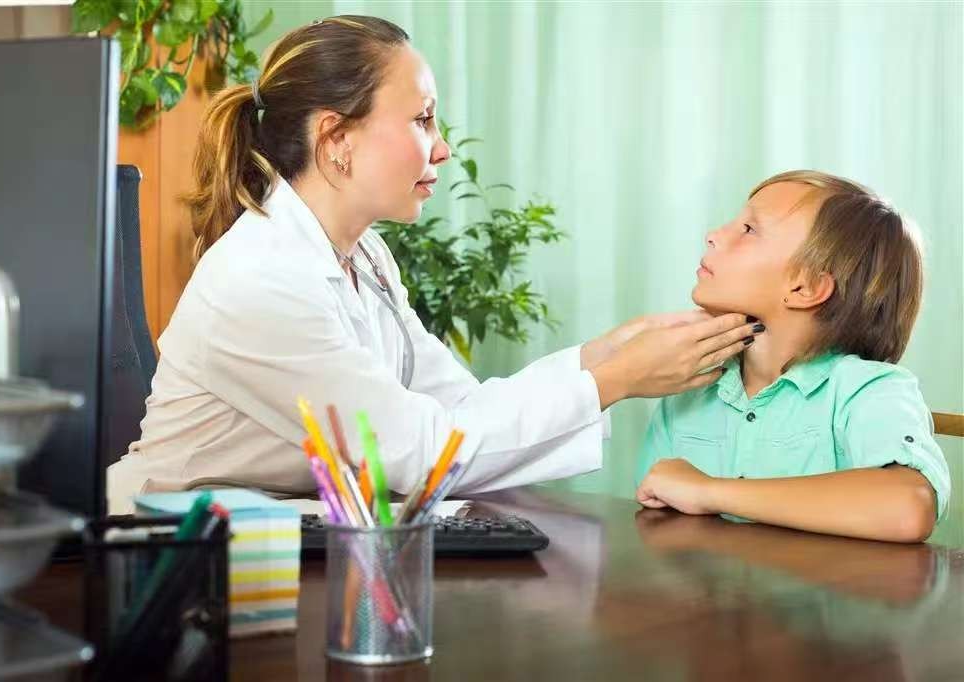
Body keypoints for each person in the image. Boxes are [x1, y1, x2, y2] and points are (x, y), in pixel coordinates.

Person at [106, 16, 761, 514]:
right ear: (335, 139)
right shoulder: (259, 279)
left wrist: (608, 354)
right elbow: (415, 455)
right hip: (162, 550)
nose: (442, 148)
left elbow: (456, 408)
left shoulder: (366, 256)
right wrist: (614, 380)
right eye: (422, 120)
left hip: (275, 535)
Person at [635, 170, 951, 542]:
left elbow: (908, 507)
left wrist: (708, 491)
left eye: (749, 229)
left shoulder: (868, 391)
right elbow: (656, 525)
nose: (713, 234)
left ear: (805, 287)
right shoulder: (689, 393)